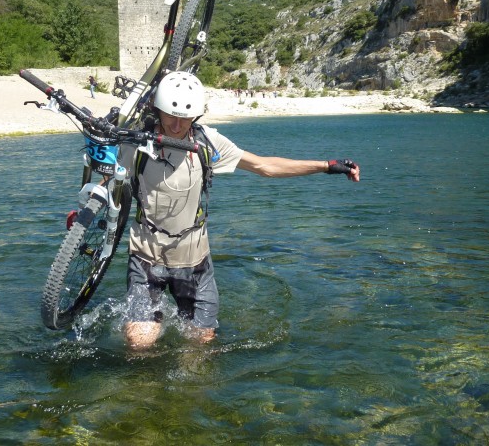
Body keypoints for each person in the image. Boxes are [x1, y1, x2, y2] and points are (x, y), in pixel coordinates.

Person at [119, 72, 360, 349]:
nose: (176, 125)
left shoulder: (207, 143)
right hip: (146, 256)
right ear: (157, 110)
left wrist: (326, 166)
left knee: (200, 347)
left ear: (196, 115)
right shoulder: (137, 142)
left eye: (185, 117)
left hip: (193, 259)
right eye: (170, 116)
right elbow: (109, 177)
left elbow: (264, 166)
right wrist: (86, 211)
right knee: (138, 344)